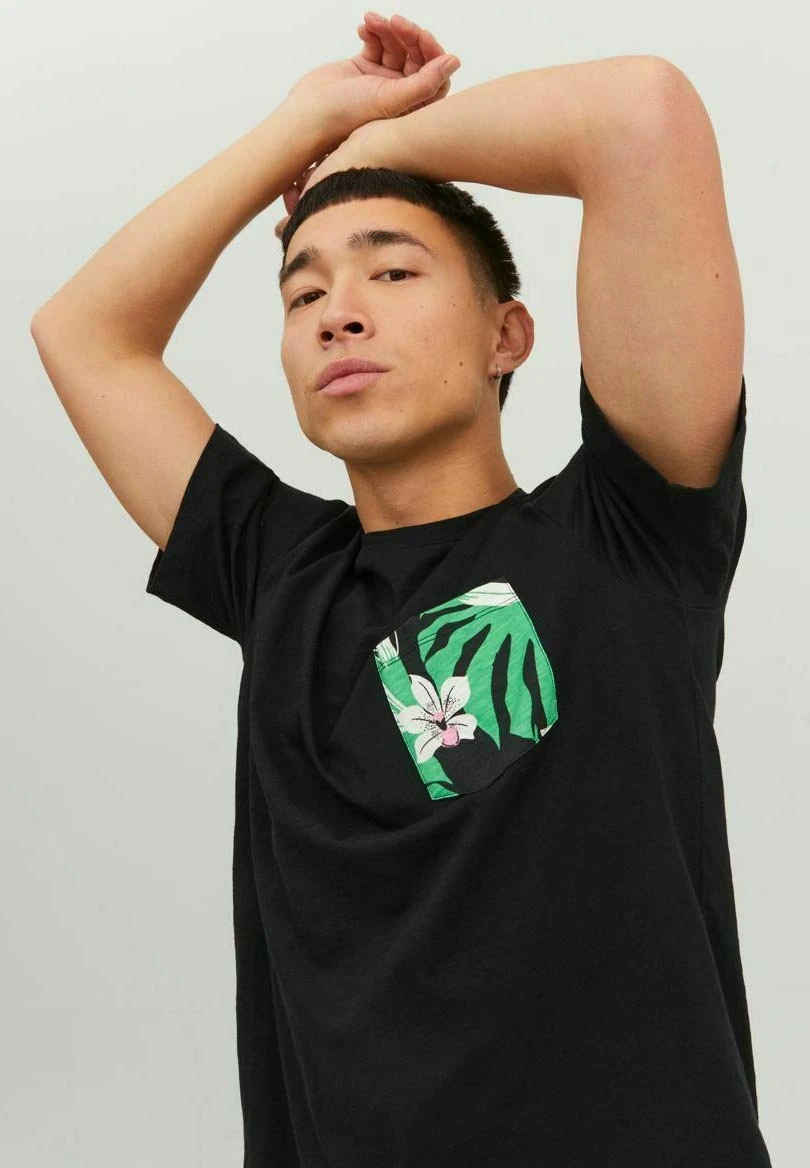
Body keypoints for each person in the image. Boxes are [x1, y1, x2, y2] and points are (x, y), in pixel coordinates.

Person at [30, 12, 772, 1167]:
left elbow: (640, 115)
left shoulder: (632, 531)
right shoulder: (280, 575)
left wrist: (366, 154)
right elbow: (83, 332)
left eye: (392, 269)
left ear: (507, 335)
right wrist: (295, 130)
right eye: (302, 293)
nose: (339, 310)